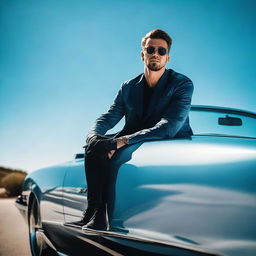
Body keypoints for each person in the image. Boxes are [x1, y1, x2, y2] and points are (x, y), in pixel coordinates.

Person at [76, 29, 194, 231]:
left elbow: (169, 126)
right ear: (143, 54)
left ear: (168, 57)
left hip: (168, 143)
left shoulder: (182, 84)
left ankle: (100, 215)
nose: (155, 53)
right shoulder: (128, 87)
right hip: (133, 143)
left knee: (106, 146)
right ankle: (95, 213)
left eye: (161, 50)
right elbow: (110, 116)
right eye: (150, 49)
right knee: (95, 146)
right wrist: (93, 136)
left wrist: (121, 142)